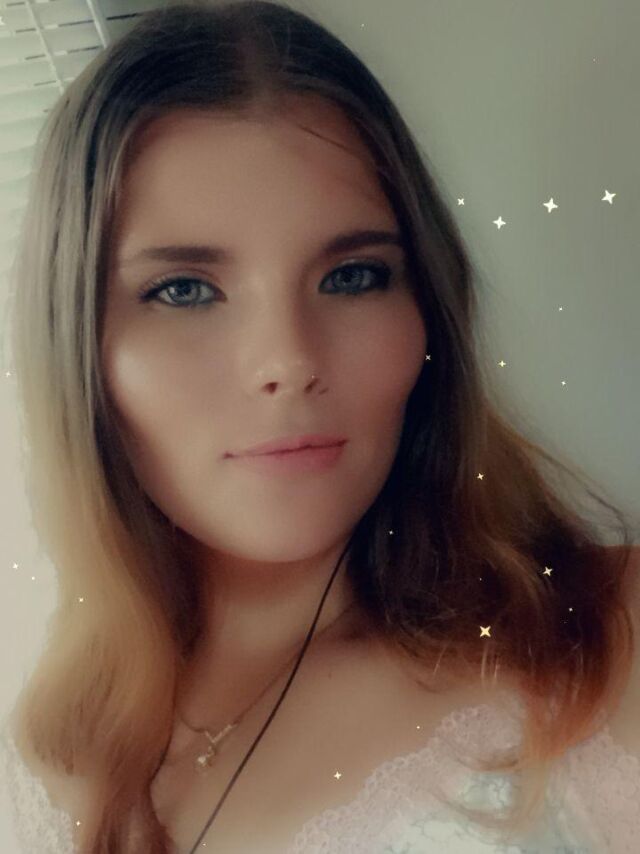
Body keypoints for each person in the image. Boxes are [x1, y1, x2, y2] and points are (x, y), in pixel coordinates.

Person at [2, 1, 639, 852]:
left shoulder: (603, 638)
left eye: (352, 277)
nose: (288, 360)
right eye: (184, 290)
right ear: (75, 345)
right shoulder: (50, 758)